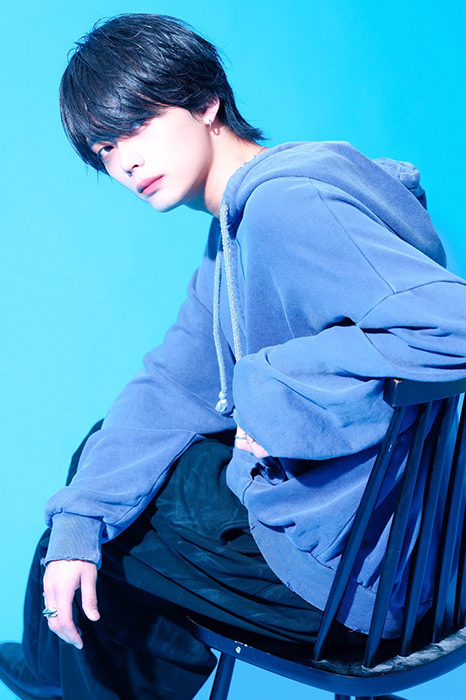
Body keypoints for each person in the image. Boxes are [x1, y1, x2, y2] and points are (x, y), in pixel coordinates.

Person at [2, 11, 466, 700]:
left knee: (106, 542)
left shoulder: (286, 207)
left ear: (205, 102)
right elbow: (173, 387)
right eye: (105, 147)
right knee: (102, 484)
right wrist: (77, 522)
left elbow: (453, 327)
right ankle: (63, 673)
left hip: (360, 580)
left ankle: (61, 676)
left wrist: (271, 386)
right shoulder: (235, 231)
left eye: (137, 124)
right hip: (399, 550)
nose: (124, 161)